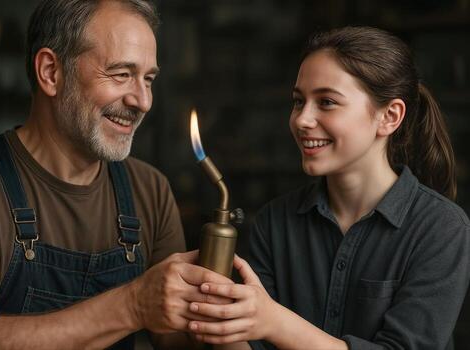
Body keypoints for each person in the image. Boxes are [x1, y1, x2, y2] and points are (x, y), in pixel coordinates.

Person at [0, 0, 232, 349]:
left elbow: (176, 344)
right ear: (51, 72)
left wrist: (220, 312)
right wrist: (132, 304)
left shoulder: (150, 189)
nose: (143, 101)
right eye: (121, 74)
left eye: (149, 79)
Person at [186, 26, 470, 350]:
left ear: (389, 117)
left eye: (327, 102)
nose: (302, 119)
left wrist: (274, 321)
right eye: (298, 101)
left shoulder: (442, 229)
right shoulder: (274, 222)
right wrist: (221, 320)